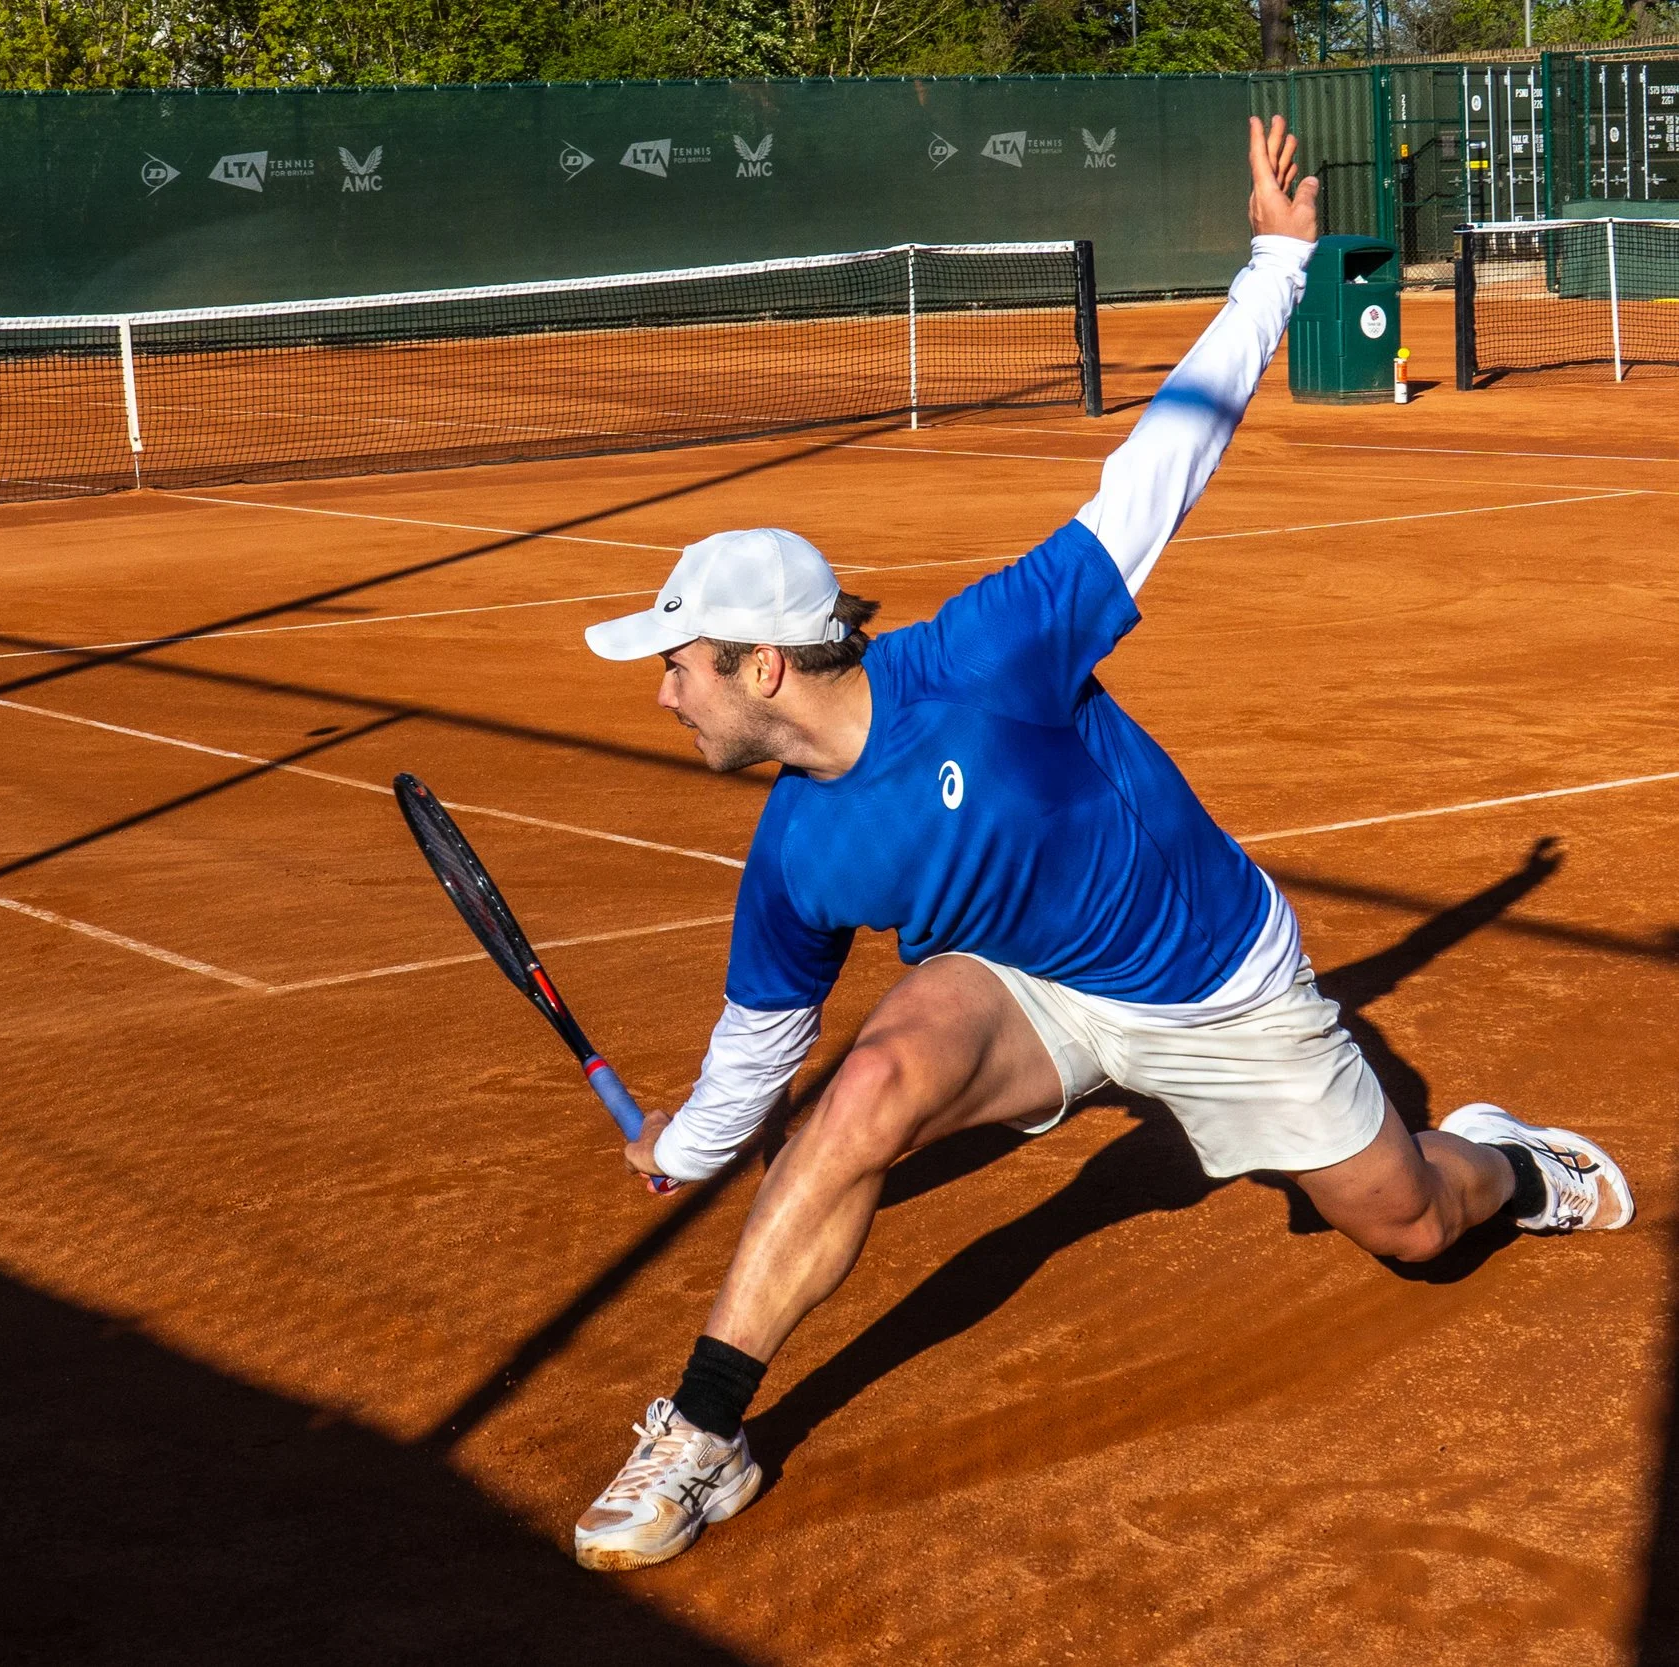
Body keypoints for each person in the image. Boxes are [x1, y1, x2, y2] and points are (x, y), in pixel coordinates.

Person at [568, 116, 1633, 1574]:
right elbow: (764, 1047)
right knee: (865, 1087)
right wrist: (686, 1149)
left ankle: (1508, 1164)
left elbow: (1162, 463)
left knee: (1412, 1224)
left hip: (1214, 978)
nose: (662, 684)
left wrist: (1276, 265)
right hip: (1023, 980)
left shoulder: (995, 650)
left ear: (765, 667)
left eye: (681, 659)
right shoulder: (794, 853)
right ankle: (704, 1433)